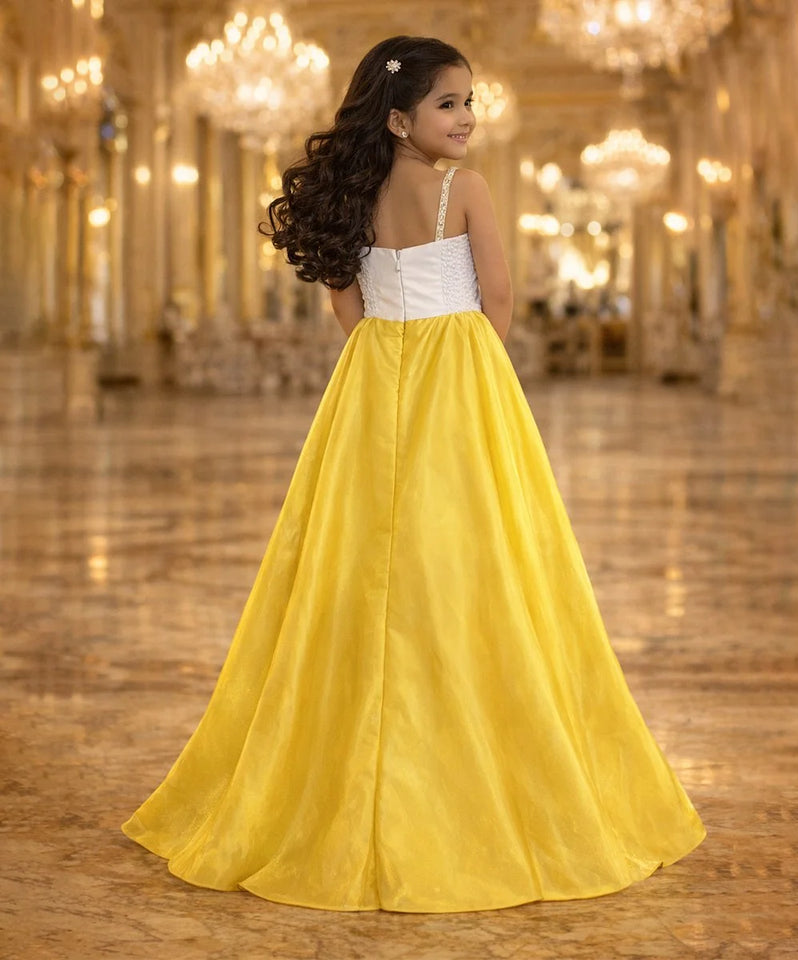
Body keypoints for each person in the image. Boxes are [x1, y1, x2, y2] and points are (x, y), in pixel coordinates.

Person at [122, 34, 706, 914]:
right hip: (458, 375)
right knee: (472, 555)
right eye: (449, 104)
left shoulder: (353, 196)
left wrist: (386, 363)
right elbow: (498, 294)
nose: (467, 118)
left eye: (470, 102)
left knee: (360, 560)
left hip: (372, 382)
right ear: (400, 119)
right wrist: (472, 370)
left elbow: (346, 306)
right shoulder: (461, 190)